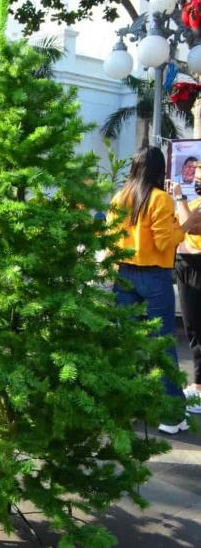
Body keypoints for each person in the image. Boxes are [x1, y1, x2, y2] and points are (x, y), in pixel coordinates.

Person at [110, 146, 201, 435]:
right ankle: (171, 415)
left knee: (126, 343)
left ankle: (124, 407)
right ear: (159, 170)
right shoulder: (160, 199)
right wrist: (184, 225)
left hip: (123, 276)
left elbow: (110, 241)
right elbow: (165, 242)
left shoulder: (120, 197)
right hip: (154, 278)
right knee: (161, 346)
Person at [173, 163, 201, 415]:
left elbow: (191, 226)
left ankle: (200, 387)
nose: (197, 180)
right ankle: (198, 385)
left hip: (197, 267)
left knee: (199, 329)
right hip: (185, 266)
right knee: (192, 328)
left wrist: (180, 197)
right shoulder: (194, 204)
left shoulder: (191, 205)